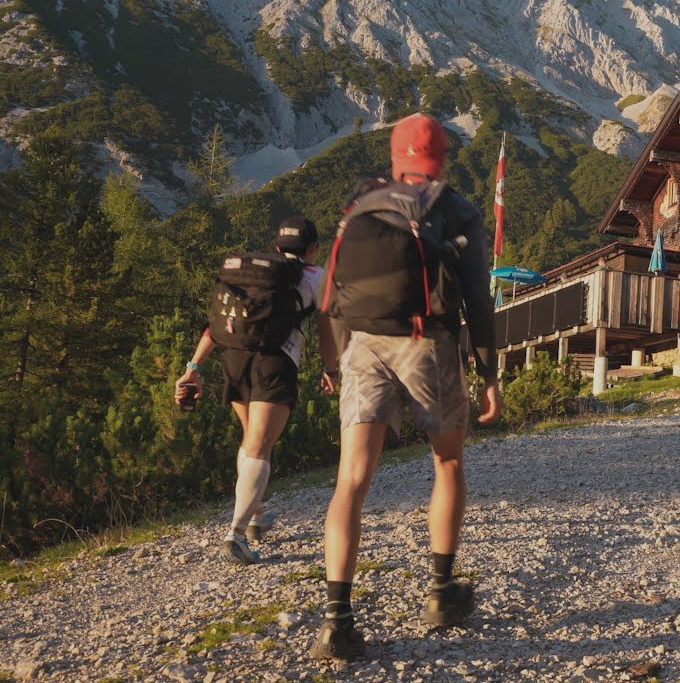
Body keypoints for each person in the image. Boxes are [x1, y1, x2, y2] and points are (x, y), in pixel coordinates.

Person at [309, 113, 502, 661]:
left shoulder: (362, 204)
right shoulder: (456, 209)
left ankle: (336, 621)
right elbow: (478, 299)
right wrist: (489, 373)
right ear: (442, 158)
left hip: (363, 345)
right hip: (428, 343)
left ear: (395, 157)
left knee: (351, 480)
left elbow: (333, 296)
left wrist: (340, 359)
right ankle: (440, 593)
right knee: (448, 462)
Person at [174, 216, 338, 565]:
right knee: (260, 445)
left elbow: (218, 322)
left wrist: (193, 368)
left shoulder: (249, 273)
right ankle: (235, 536)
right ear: (312, 248)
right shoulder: (317, 276)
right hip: (274, 362)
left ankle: (256, 514)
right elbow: (327, 331)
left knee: (251, 439)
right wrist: (330, 369)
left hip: (234, 358)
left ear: (277, 246)